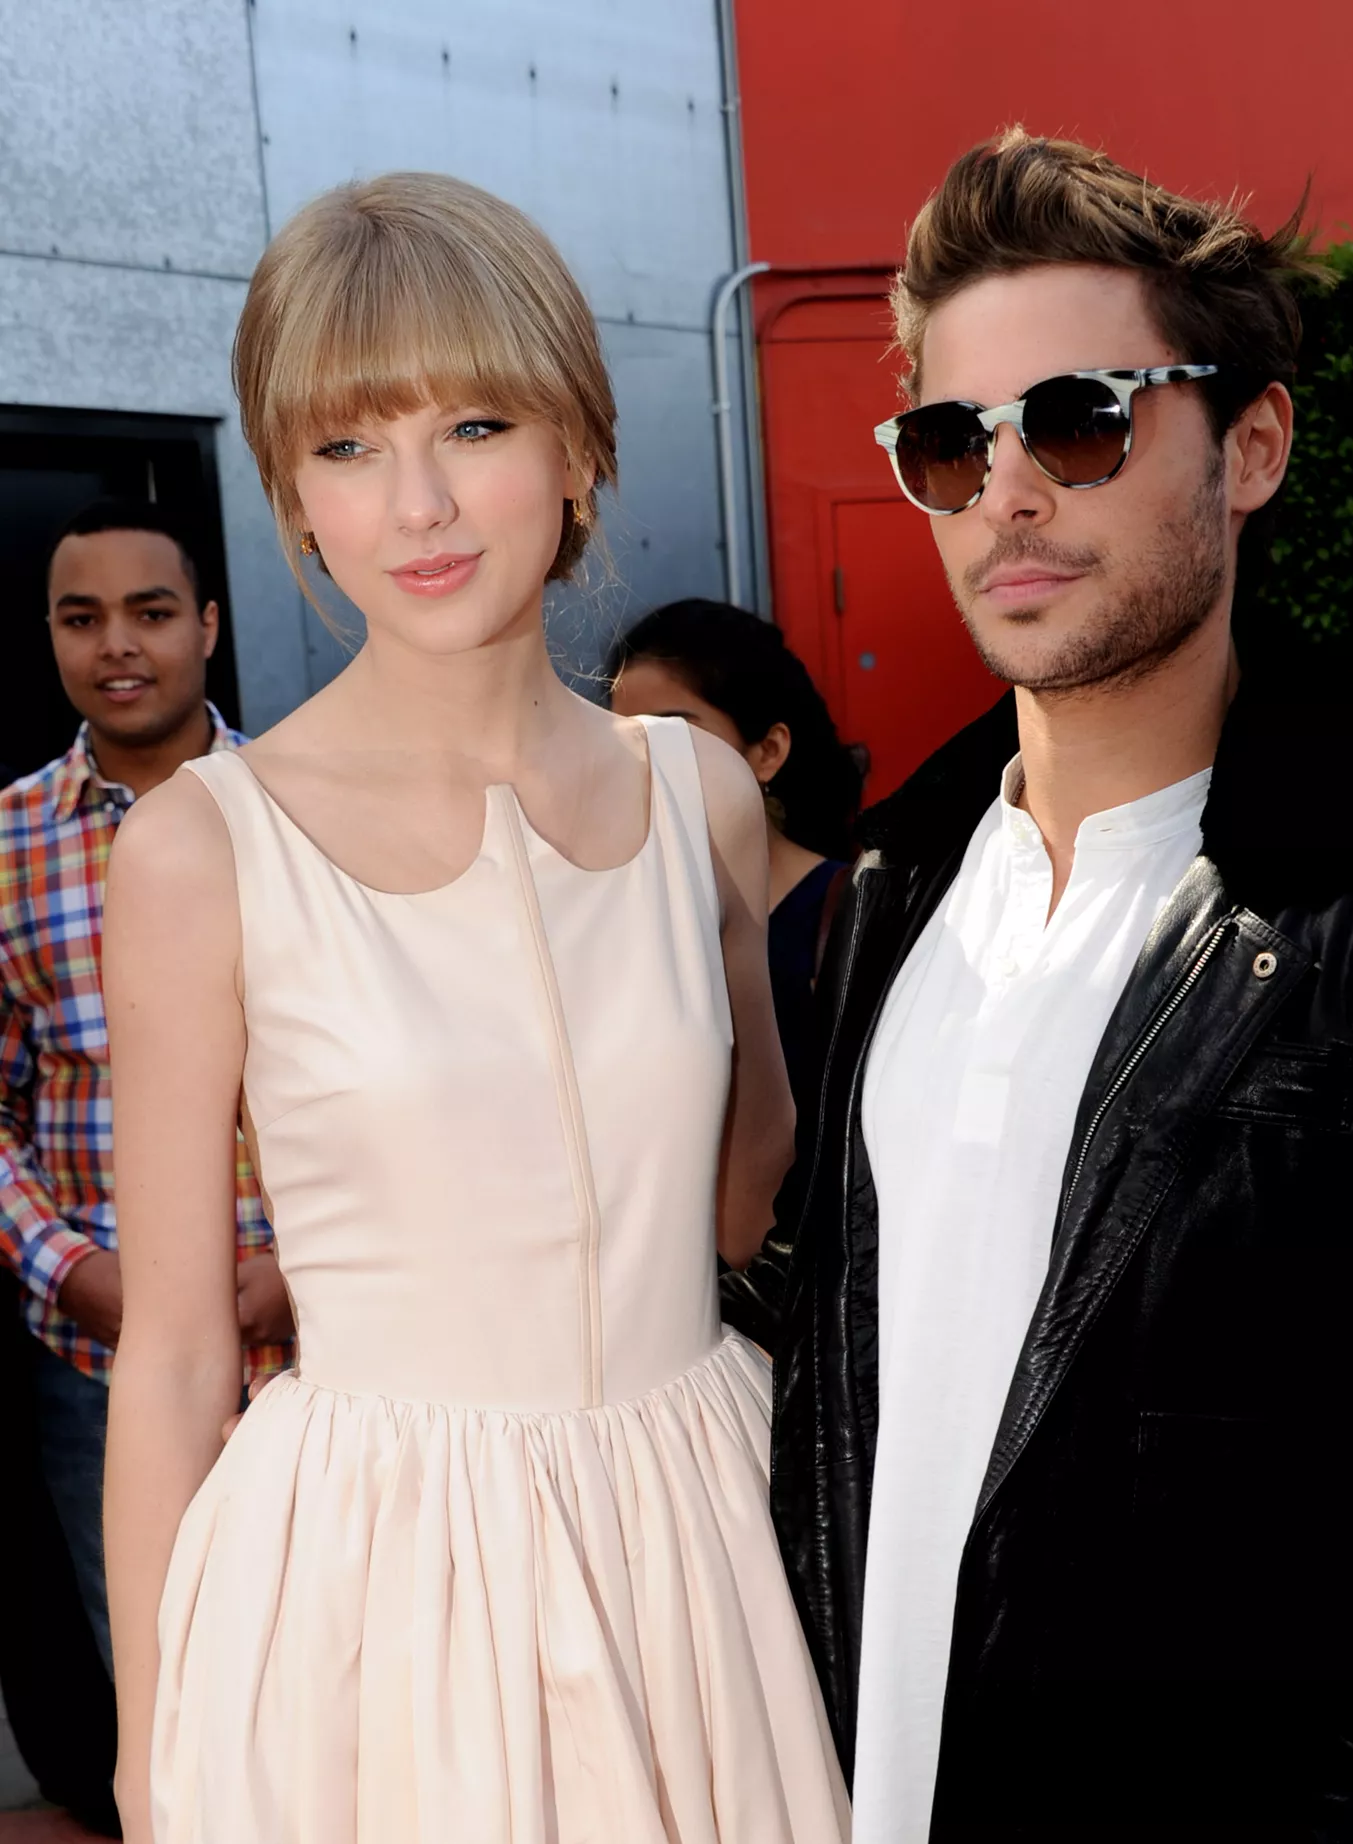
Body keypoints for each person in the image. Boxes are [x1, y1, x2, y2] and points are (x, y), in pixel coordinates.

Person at [722, 129, 1353, 1842]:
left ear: (1255, 444)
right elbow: (812, 1336)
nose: (1008, 491)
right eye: (950, 440)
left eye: (1080, 418)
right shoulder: (885, 893)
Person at [102, 173, 850, 1844]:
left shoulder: (702, 794)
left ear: (578, 445)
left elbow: (746, 1194)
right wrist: (152, 1758)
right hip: (372, 1577)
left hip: (698, 1532)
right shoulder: (201, 845)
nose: (420, 502)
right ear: (294, 489)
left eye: (477, 422)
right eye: (350, 446)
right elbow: (168, 1356)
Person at [0, 501, 293, 1707]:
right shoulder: (10, 841)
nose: (118, 644)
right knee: (170, 1693)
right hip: (104, 1359)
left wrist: (305, 1266)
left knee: (342, 1677)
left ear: (209, 626)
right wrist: (68, 1268)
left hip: (324, 1348)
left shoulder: (308, 808)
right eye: (83, 617)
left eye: (152, 611)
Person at [608, 599, 862, 1100]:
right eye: (620, 738)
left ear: (768, 751)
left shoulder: (854, 913)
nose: (643, 763)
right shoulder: (618, 911)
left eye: (674, 732)